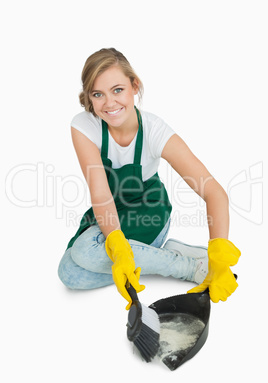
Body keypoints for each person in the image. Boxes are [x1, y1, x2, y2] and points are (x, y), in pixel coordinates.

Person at [58, 48, 241, 309]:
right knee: (69, 273)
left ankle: (193, 267)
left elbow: (214, 192)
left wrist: (220, 251)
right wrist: (118, 248)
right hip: (110, 210)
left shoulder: (155, 131)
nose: (109, 103)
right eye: (98, 94)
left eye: (118, 90)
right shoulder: (84, 126)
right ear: (89, 97)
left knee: (84, 251)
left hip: (150, 212)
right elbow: (100, 194)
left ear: (135, 86)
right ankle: (168, 254)